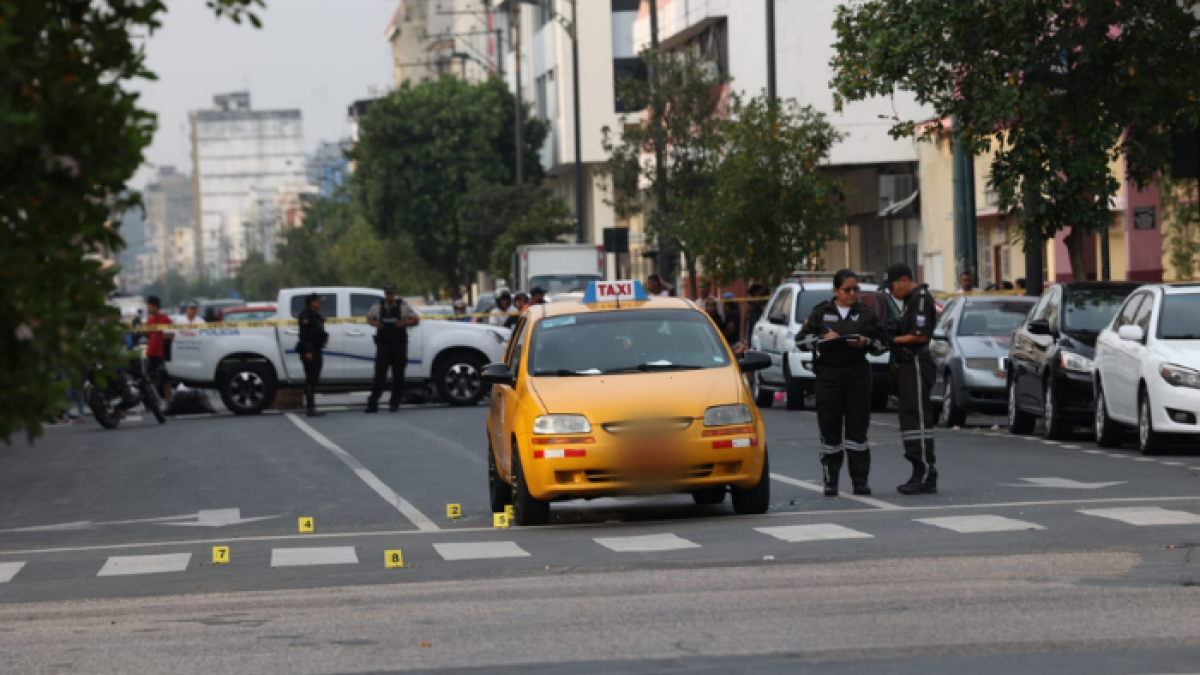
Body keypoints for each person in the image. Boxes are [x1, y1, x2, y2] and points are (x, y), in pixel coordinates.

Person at [796, 270, 885, 496]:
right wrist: (821, 339)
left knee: (858, 430)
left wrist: (866, 343)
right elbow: (801, 341)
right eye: (847, 289)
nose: (852, 294)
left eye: (856, 289)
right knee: (830, 428)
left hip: (858, 376)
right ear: (835, 291)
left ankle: (860, 481)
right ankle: (831, 480)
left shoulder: (866, 314)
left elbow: (882, 344)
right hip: (829, 376)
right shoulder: (820, 313)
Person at [884, 263, 939, 495]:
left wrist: (892, 341)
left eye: (892, 286)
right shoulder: (910, 301)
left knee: (917, 417)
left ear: (904, 280)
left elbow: (920, 336)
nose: (890, 292)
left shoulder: (920, 299)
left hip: (916, 362)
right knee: (909, 417)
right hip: (907, 365)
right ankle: (918, 470)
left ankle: (925, 473)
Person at [365, 283, 419, 413]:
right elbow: (369, 319)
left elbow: (415, 320)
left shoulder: (402, 306)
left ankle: (395, 403)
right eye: (387, 293)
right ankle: (373, 403)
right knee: (379, 375)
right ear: (385, 294)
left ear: (395, 293)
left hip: (398, 344)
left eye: (391, 293)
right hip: (383, 344)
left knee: (398, 375)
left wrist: (404, 323)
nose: (389, 295)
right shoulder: (378, 306)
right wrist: (375, 323)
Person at [297, 292, 329, 417]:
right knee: (310, 379)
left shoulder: (315, 315)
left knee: (314, 378)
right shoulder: (306, 315)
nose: (320, 303)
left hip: (316, 349)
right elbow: (304, 336)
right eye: (318, 301)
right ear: (311, 302)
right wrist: (308, 351)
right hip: (310, 350)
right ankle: (310, 408)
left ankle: (312, 406)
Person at [142, 296, 173, 404]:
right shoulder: (149, 320)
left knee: (165, 379)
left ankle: (168, 401)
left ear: (156, 307)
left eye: (149, 306)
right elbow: (148, 336)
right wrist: (143, 331)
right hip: (151, 353)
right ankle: (153, 402)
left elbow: (170, 336)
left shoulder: (165, 319)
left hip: (162, 353)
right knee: (151, 378)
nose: (148, 309)